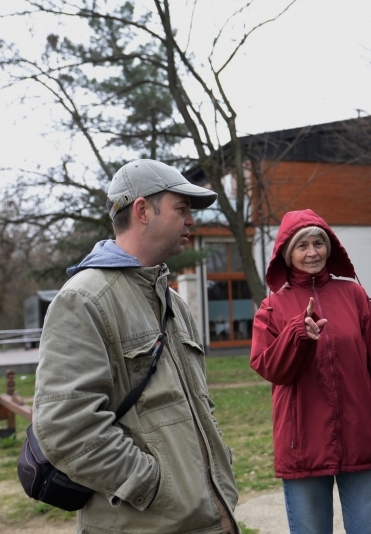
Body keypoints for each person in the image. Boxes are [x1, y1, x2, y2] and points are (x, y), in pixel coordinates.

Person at [32, 159, 240, 534]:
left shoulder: (173, 304)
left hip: (206, 519)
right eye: (182, 209)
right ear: (143, 210)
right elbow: (66, 425)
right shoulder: (84, 299)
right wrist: (156, 487)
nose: (191, 221)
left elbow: (197, 406)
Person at [250, 209, 371, 534]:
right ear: (287, 254)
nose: (312, 252)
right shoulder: (272, 308)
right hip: (302, 444)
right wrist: (298, 335)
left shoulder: (354, 296)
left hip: (361, 437)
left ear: (329, 247)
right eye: (302, 245)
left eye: (318, 243)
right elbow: (270, 368)